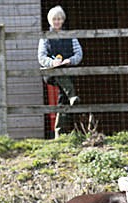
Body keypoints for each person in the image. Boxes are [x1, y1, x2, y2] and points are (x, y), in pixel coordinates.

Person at [38, 6, 83, 136]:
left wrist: (70, 60)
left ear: (63, 20)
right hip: (52, 72)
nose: (57, 22)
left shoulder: (71, 36)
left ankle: (59, 132)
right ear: (50, 21)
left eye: (59, 19)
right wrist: (52, 62)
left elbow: (78, 54)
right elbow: (41, 57)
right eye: (54, 19)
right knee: (66, 93)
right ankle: (72, 95)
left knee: (62, 99)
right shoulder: (45, 37)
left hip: (67, 71)